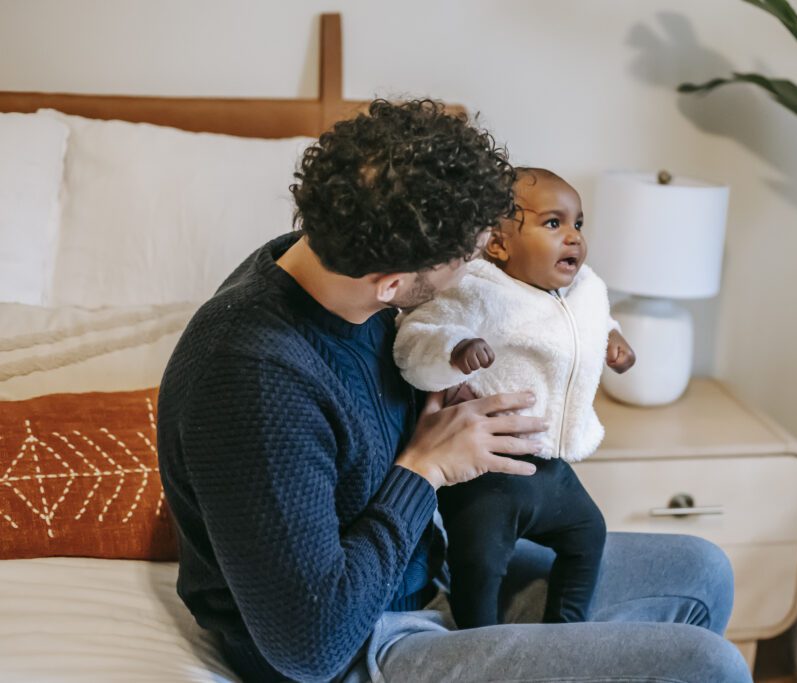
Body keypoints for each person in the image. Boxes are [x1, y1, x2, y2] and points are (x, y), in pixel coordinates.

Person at [157, 99, 752, 683]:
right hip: (359, 643)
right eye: (462, 262)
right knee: (709, 665)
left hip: (425, 565)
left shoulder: (324, 260)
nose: (475, 268)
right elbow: (309, 647)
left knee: (703, 572)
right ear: (391, 284)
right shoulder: (254, 382)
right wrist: (424, 470)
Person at [393, 167, 635, 629]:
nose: (573, 238)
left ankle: (565, 628)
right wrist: (455, 349)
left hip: (551, 466)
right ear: (499, 244)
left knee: (589, 534)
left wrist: (614, 339)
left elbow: (591, 322)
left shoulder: (584, 289)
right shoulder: (477, 291)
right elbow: (413, 337)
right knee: (480, 563)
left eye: (578, 224)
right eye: (553, 223)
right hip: (489, 472)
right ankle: (477, 641)